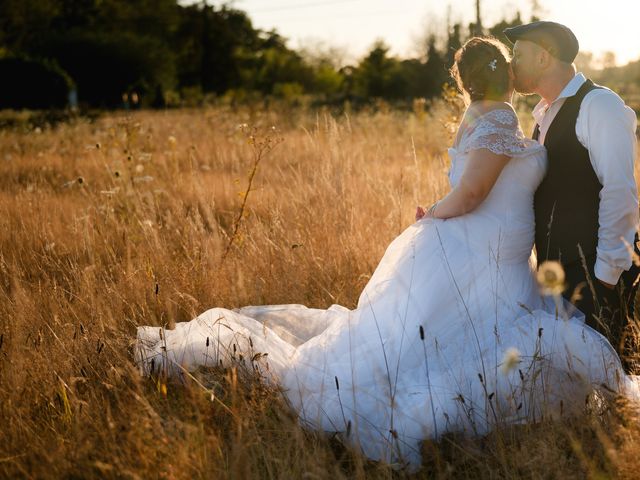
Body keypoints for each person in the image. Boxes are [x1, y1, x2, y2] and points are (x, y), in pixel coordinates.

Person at [135, 37, 637, 470]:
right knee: (461, 339)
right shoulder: (503, 114)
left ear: (464, 83)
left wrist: (436, 212)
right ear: (502, 73)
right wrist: (434, 214)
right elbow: (473, 192)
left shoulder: (483, 114)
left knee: (447, 337)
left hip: (492, 252)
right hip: (485, 252)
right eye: (511, 62)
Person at [503, 21, 640, 368]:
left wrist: (605, 277)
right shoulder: (543, 115)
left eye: (518, 55)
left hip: (596, 276)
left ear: (544, 58)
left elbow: (620, 190)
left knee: (615, 382)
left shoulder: (599, 105)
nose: (511, 64)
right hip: (560, 277)